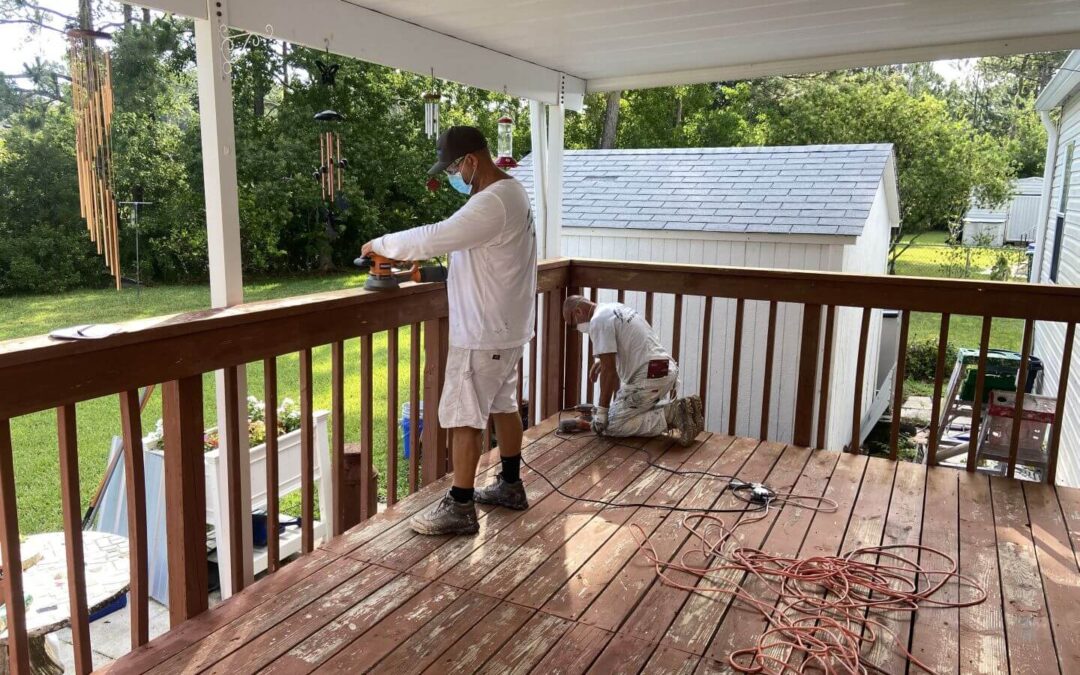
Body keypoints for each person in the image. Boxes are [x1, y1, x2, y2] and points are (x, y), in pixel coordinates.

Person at [361, 126, 535, 536]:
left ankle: (460, 505)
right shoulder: (513, 193)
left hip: (483, 331)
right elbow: (481, 255)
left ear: (473, 161)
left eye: (456, 166)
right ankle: (511, 485)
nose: (455, 174)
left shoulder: (492, 201)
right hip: (507, 327)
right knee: (503, 405)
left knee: (464, 417)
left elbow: (436, 236)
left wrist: (380, 244)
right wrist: (436, 273)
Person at [563, 295, 704, 446]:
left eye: (573, 325)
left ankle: (672, 413)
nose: (576, 329)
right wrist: (605, 361)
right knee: (625, 414)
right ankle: (682, 410)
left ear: (578, 312)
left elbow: (609, 372)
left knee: (610, 425)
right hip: (664, 369)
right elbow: (628, 346)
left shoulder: (598, 321)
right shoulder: (614, 308)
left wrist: (602, 413)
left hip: (649, 376)